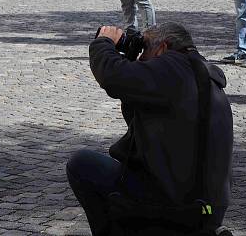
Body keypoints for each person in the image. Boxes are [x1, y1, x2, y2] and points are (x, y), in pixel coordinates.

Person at [67, 23, 233, 236]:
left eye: (144, 48)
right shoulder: (199, 73)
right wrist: (131, 58)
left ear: (163, 48)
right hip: (208, 204)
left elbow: (112, 77)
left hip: (177, 203)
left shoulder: (172, 67)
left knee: (82, 164)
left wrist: (104, 43)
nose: (142, 57)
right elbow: (137, 117)